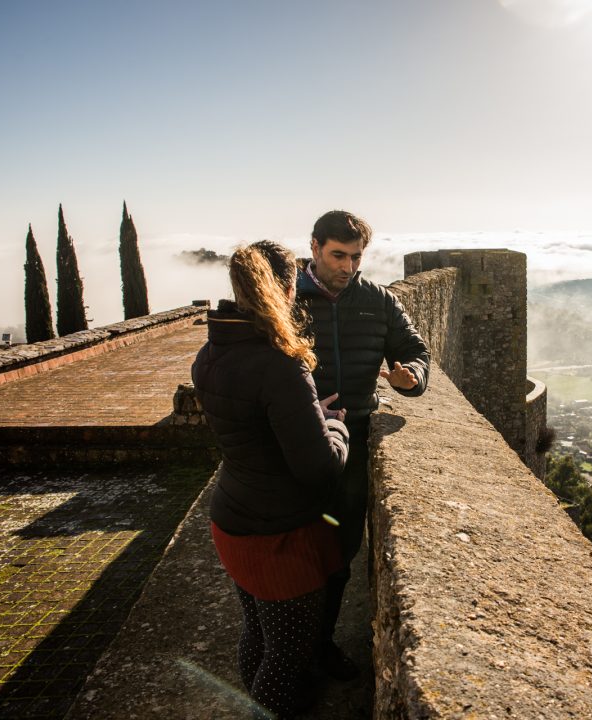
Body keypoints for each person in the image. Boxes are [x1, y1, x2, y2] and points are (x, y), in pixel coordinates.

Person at [191, 241, 349, 718]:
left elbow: (253, 426)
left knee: (257, 635)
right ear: (286, 286)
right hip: (277, 535)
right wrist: (335, 426)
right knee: (286, 658)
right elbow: (320, 465)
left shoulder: (210, 353)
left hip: (232, 522)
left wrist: (304, 416)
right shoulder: (281, 363)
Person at [295, 210, 430, 679]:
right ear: (314, 247)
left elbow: (415, 349)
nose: (348, 267)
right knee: (291, 548)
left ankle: (320, 643)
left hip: (352, 447)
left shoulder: (378, 301)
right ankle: (286, 645)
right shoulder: (285, 299)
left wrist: (412, 377)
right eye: (338, 255)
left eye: (356, 257)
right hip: (295, 443)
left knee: (339, 551)